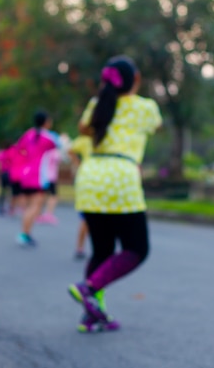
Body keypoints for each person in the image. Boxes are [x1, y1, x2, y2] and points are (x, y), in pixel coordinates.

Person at [67, 56, 162, 333]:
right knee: (137, 248)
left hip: (90, 176)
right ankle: (90, 288)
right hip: (120, 176)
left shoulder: (96, 105)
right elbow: (155, 126)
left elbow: (84, 128)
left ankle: (91, 315)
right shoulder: (145, 107)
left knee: (102, 250)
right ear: (136, 80)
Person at [15, 111, 60, 246]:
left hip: (26, 173)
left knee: (30, 206)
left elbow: (20, 148)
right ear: (46, 122)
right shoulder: (48, 137)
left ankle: (26, 233)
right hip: (38, 175)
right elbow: (58, 145)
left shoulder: (28, 134)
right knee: (35, 206)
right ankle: (24, 234)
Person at [68, 135, 93, 260]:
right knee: (87, 217)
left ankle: (80, 247)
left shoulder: (85, 139)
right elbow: (70, 150)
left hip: (88, 179)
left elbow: (70, 150)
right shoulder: (86, 140)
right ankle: (80, 247)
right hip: (90, 180)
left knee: (87, 217)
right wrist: (79, 163)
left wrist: (79, 164)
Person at [37, 147, 62, 225]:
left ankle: (38, 214)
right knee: (53, 196)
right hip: (51, 177)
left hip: (42, 177)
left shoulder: (43, 151)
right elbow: (60, 159)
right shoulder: (55, 152)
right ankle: (48, 214)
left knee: (42, 196)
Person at [0, 143, 13, 215]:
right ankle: (11, 208)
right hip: (10, 173)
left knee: (2, 190)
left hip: (3, 173)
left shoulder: (2, 153)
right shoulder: (12, 152)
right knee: (10, 191)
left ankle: (1, 206)